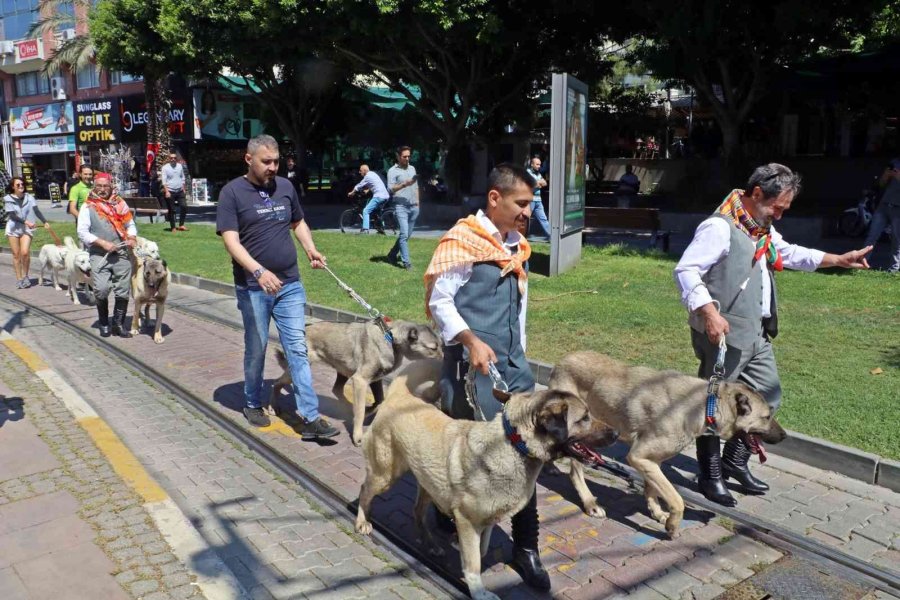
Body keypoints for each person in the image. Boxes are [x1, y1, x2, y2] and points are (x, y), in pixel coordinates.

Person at [674, 163, 871, 507]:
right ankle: (710, 474)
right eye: (777, 207)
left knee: (768, 396)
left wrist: (838, 259)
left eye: (784, 210)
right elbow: (686, 270)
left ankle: (734, 461)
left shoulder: (760, 228)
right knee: (713, 405)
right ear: (756, 194)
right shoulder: (719, 227)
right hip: (724, 335)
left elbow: (789, 253)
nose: (779, 215)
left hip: (757, 333)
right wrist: (709, 313)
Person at [425, 163, 549, 592]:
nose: (527, 212)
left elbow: (520, 308)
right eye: (521, 203)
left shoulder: (517, 246)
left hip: (513, 366)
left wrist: (521, 352)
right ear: (495, 198)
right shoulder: (463, 241)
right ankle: (449, 514)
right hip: (471, 369)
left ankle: (526, 546)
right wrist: (471, 341)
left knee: (529, 453)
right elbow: (440, 302)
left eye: (530, 204)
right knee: (473, 452)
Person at [216, 134, 338, 440]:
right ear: (249, 159)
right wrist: (258, 271)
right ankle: (252, 402)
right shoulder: (232, 193)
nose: (272, 167)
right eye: (266, 161)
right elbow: (231, 241)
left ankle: (310, 417)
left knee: (297, 347)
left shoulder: (285, 187)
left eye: (276, 161)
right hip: (254, 288)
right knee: (256, 347)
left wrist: (310, 248)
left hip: (290, 284)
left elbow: (298, 223)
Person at [77, 173, 137, 338]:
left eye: (105, 186)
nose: (102, 189)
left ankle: (118, 325)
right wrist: (102, 243)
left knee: (123, 290)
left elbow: (130, 224)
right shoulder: (88, 206)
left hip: (121, 253)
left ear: (111, 187)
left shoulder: (120, 203)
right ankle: (104, 323)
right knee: (102, 289)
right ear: (94, 187)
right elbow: (82, 232)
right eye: (99, 186)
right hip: (99, 254)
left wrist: (132, 237)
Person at [5, 177, 51, 288]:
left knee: (25, 252)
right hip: (13, 229)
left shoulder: (29, 197)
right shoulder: (8, 199)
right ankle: (19, 278)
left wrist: (45, 221)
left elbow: (36, 210)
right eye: (18, 185)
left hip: (26, 229)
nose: (21, 186)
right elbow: (12, 215)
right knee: (16, 255)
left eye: (22, 184)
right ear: (13, 187)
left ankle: (25, 276)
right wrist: (26, 222)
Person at [862, 158, 900, 273]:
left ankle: (893, 269)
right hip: (884, 205)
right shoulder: (895, 162)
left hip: (898, 208)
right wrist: (886, 175)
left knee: (896, 239)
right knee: (872, 235)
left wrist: (898, 177)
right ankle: (862, 263)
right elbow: (881, 184)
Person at [386, 146, 419, 270]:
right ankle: (406, 263)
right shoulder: (392, 171)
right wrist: (404, 184)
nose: (407, 158)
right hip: (401, 206)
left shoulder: (412, 168)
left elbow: (416, 186)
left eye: (409, 156)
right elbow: (390, 189)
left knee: (406, 235)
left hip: (414, 206)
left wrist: (418, 203)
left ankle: (392, 254)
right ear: (398, 156)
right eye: (404, 156)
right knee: (404, 234)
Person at [349, 163, 390, 234]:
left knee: (366, 211)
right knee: (376, 212)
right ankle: (381, 228)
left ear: (365, 170)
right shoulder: (373, 174)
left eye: (360, 170)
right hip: (385, 196)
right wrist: (368, 190)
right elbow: (374, 183)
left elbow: (359, 185)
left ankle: (365, 229)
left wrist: (352, 192)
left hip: (379, 196)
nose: (359, 172)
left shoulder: (367, 176)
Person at [161, 151, 188, 232]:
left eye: (174, 158)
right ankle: (173, 227)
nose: (173, 159)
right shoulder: (165, 168)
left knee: (184, 206)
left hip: (180, 190)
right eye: (171, 158)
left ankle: (181, 225)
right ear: (169, 159)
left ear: (176, 159)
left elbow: (182, 177)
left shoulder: (179, 166)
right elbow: (164, 181)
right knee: (172, 210)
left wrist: (183, 188)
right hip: (170, 191)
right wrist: (167, 191)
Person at [525, 156, 551, 239]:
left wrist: (537, 183)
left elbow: (545, 183)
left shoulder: (538, 174)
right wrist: (538, 183)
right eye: (537, 164)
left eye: (540, 164)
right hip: (530, 199)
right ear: (532, 164)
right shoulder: (527, 173)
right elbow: (530, 185)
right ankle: (521, 236)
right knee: (525, 218)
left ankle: (551, 236)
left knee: (543, 219)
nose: (539, 166)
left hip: (538, 200)